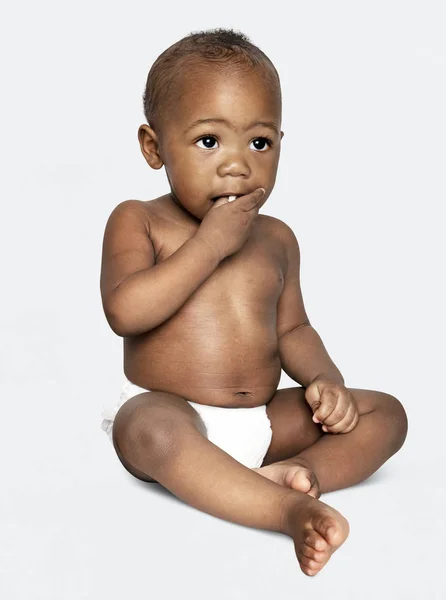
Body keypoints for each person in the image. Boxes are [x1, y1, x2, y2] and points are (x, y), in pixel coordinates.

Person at [99, 28, 408, 577]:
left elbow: (293, 330)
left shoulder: (277, 237)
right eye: (209, 141)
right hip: (176, 411)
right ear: (154, 147)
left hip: (263, 421)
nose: (237, 165)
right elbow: (126, 310)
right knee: (146, 429)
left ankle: (298, 473)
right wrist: (210, 245)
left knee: (385, 414)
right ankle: (283, 509)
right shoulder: (139, 219)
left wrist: (325, 381)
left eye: (260, 143)